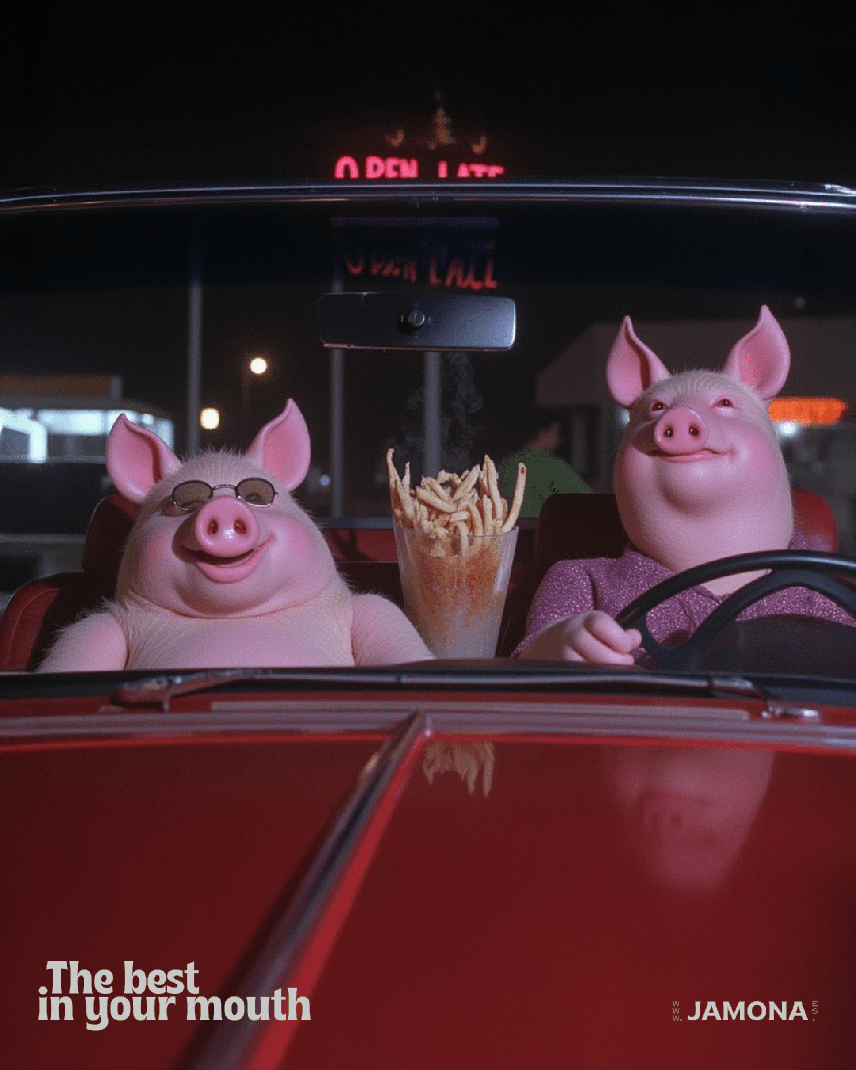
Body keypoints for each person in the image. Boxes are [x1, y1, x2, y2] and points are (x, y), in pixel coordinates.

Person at [497, 408, 590, 519]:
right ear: (542, 433)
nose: (559, 440)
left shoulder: (505, 464)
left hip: (511, 528)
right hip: (545, 527)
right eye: (556, 433)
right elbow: (587, 498)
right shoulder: (554, 466)